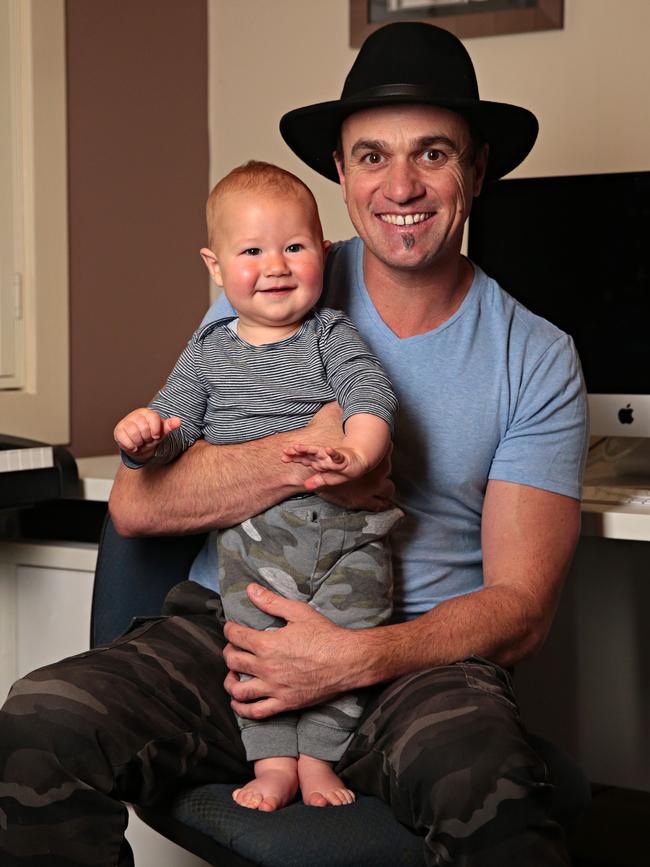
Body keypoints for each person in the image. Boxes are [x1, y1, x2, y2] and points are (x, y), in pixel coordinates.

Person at [0, 22, 589, 867]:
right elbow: (138, 503)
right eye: (373, 156)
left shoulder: (534, 355)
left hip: (412, 658)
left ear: (478, 168)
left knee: (491, 789)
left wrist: (350, 657)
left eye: (433, 153)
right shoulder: (276, 281)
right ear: (341, 174)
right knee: (38, 721)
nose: (402, 184)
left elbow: (521, 608)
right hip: (229, 635)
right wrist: (299, 449)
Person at [113, 159, 402, 811]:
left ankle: (320, 758)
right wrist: (145, 437)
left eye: (294, 247)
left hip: (351, 538)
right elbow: (175, 427)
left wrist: (357, 453)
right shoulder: (209, 352)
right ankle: (273, 761)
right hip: (255, 546)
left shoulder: (332, 334)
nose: (275, 265)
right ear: (215, 267)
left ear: (323, 255)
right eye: (252, 251)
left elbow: (370, 394)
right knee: (255, 653)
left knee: (349, 635)